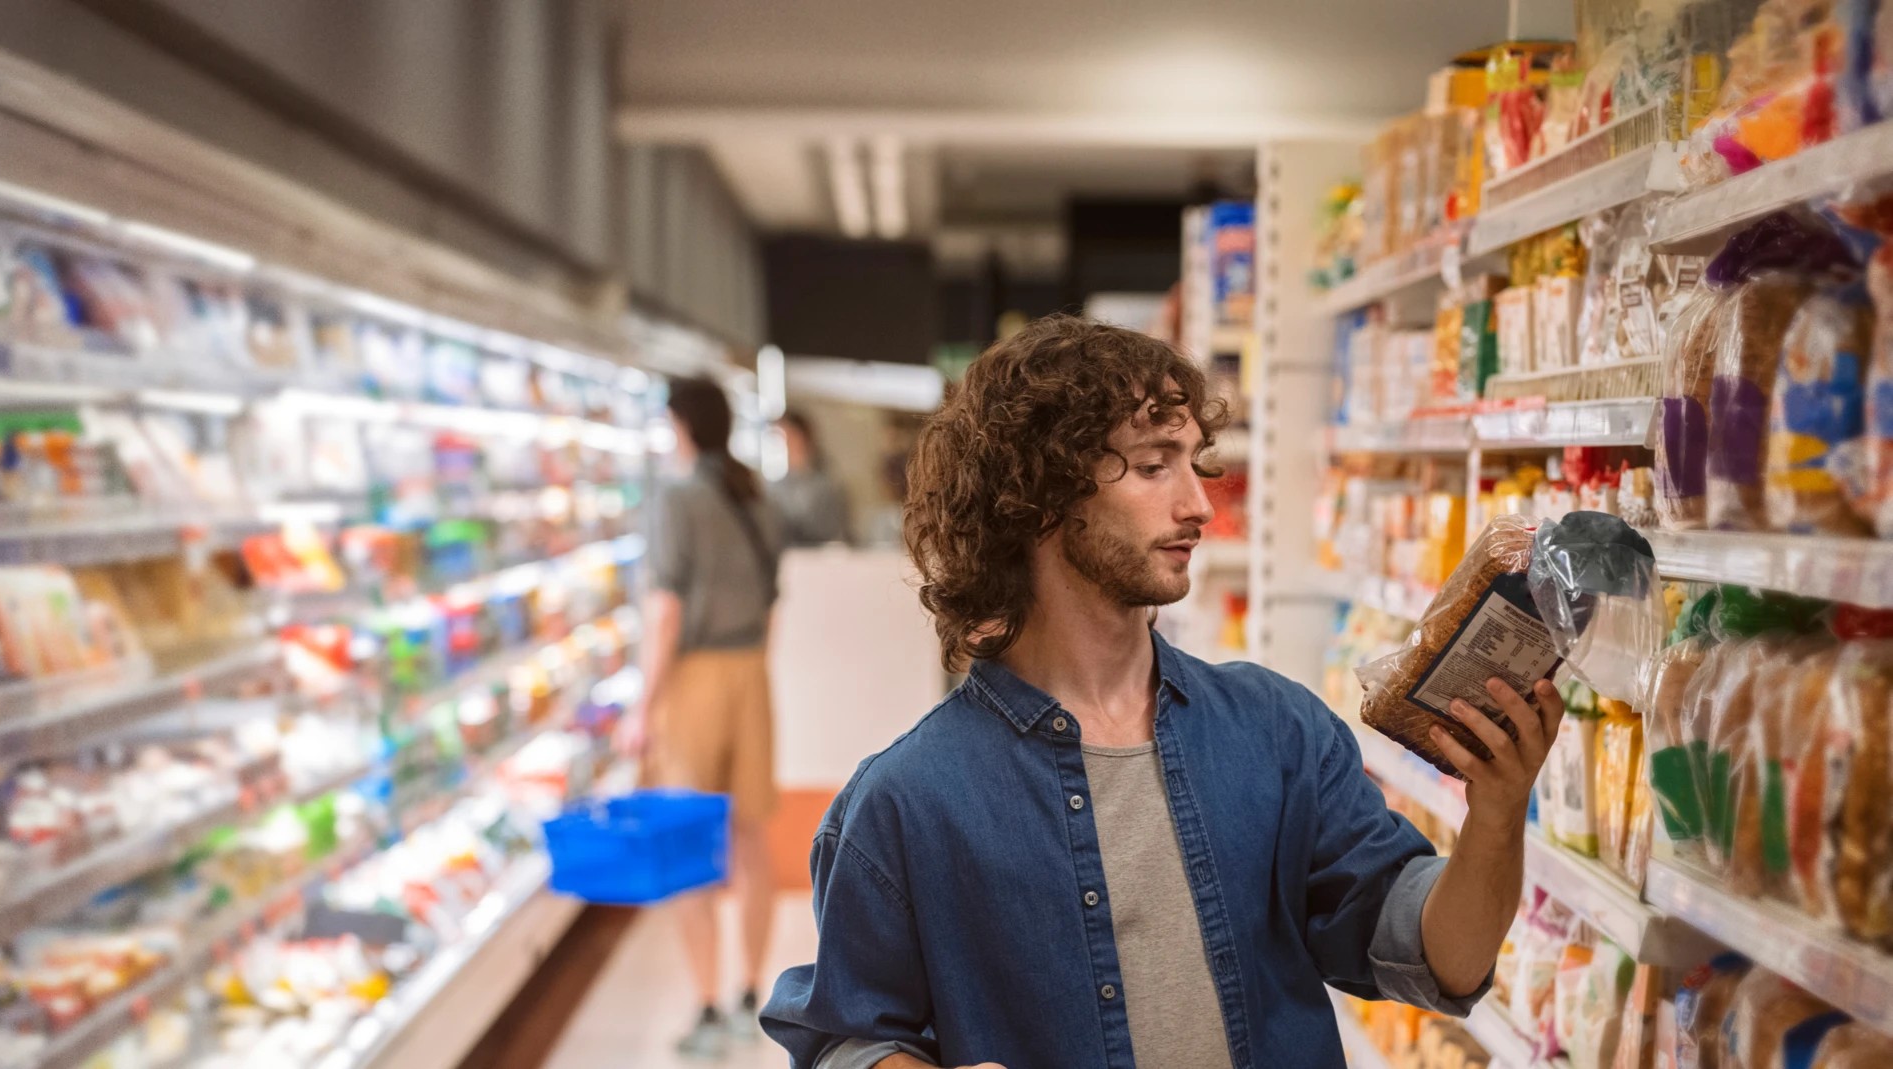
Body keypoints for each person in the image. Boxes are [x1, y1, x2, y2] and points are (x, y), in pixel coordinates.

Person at [761, 315, 1564, 1069]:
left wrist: (1495, 816)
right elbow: (844, 1038)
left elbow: (1438, 959)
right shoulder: (907, 802)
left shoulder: (1277, 732)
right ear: (1038, 496)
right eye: (1153, 467)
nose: (1198, 505)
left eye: (1192, 462)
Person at [638, 377, 784, 1058]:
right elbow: (773, 599)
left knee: (691, 838)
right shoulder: (756, 496)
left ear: (680, 424)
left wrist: (643, 707)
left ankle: (706, 1002)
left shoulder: (676, 496)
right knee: (751, 839)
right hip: (750, 669)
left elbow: (665, 610)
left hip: (695, 677)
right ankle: (754, 989)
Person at [773, 409, 851, 547]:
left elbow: (836, 534)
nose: (786, 444)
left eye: (790, 437)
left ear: (805, 437)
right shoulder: (775, 487)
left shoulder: (828, 486)